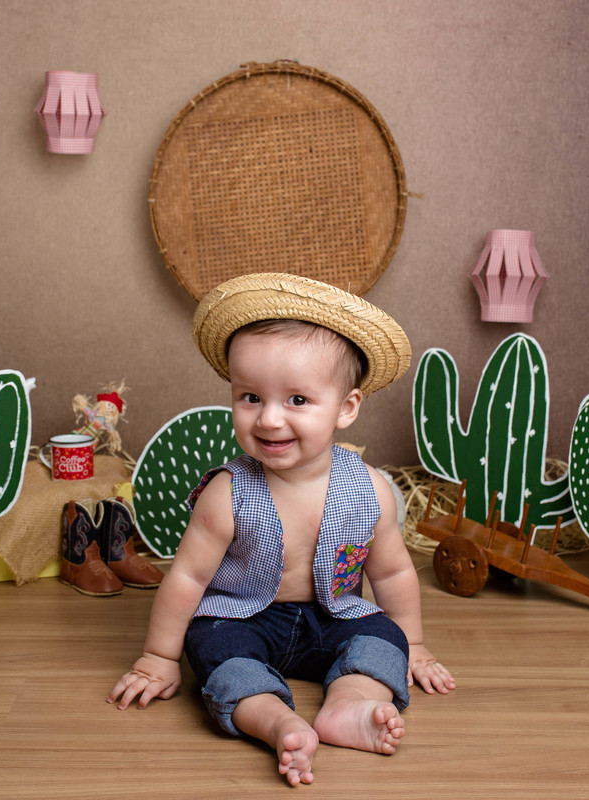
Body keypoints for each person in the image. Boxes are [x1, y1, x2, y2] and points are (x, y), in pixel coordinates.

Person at [108, 273, 455, 786]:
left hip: (332, 616)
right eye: (250, 397)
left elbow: (394, 572)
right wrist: (158, 657)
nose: (269, 419)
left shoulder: (371, 491)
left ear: (347, 408)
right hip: (244, 618)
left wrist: (417, 643)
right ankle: (274, 719)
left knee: (384, 638)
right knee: (212, 647)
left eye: (297, 400)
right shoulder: (226, 494)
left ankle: (349, 706)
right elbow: (186, 579)